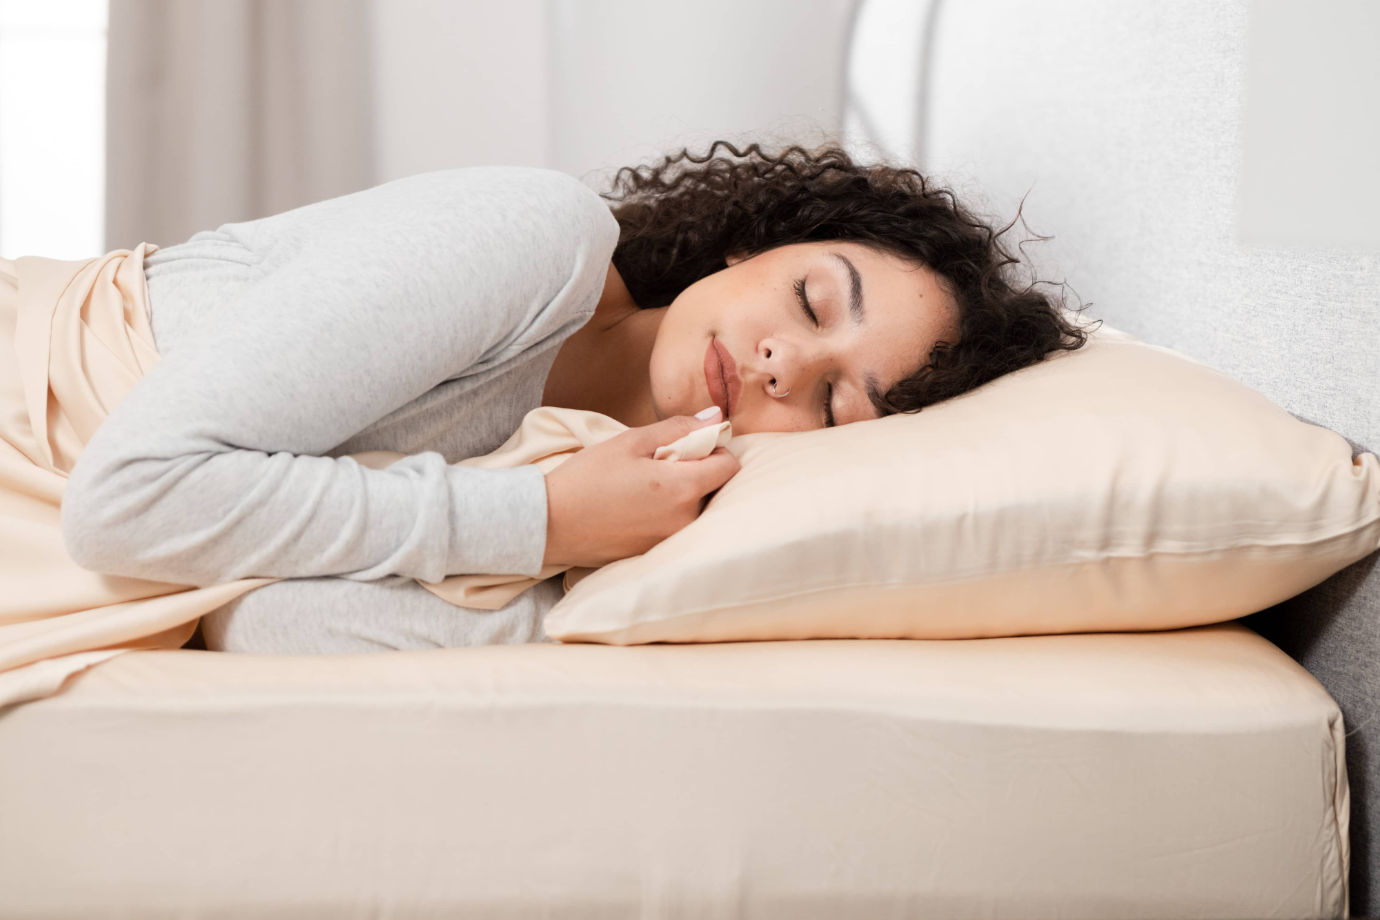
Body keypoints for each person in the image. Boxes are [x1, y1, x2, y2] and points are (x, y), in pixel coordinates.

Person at [54, 139, 1092, 654]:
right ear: (753, 244)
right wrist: (539, 517)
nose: (782, 362)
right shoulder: (531, 239)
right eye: (812, 297)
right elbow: (129, 499)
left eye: (828, 404)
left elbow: (275, 623)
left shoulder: (616, 509)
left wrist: (562, 541)